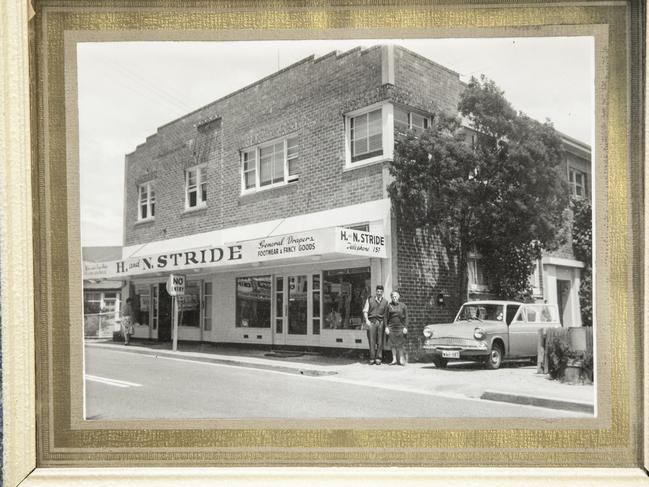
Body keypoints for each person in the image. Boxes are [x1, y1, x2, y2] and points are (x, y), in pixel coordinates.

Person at [362, 285, 388, 365]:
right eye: (378, 291)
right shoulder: (370, 299)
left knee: (380, 341)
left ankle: (378, 358)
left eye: (381, 292)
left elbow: (386, 314)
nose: (379, 293)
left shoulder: (385, 302)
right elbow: (365, 311)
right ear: (376, 292)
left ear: (383, 292)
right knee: (371, 340)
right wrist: (367, 320)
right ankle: (372, 358)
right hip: (371, 321)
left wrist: (386, 325)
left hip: (380, 322)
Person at [384, 290, 408, 366]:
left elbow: (406, 318)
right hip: (391, 327)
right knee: (392, 344)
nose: (394, 298)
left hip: (400, 327)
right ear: (391, 297)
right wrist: (386, 327)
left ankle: (401, 360)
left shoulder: (403, 306)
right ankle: (394, 360)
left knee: (400, 344)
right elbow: (385, 318)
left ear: (398, 297)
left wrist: (405, 327)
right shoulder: (388, 306)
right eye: (393, 296)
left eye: (396, 296)